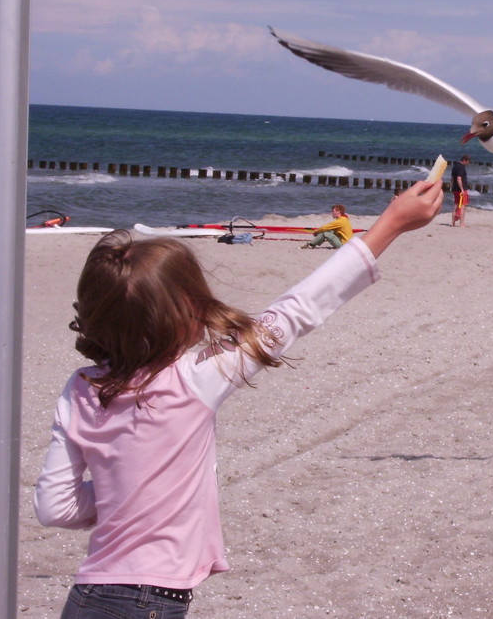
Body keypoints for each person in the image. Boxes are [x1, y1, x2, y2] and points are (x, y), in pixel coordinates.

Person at [34, 181, 444, 619]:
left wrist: (125, 489)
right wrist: (390, 225)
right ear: (186, 311)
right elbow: (297, 309)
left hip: (86, 598)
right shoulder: (194, 381)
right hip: (147, 601)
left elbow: (54, 507)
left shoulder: (81, 388)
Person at [451, 154, 470, 227]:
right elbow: (459, 178)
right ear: (465, 160)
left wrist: (453, 186)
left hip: (455, 189)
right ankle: (462, 224)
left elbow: (452, 178)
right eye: (468, 162)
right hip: (461, 190)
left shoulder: (454, 166)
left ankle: (453, 223)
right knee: (463, 206)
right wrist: (462, 189)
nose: (468, 163)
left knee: (456, 205)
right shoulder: (461, 167)